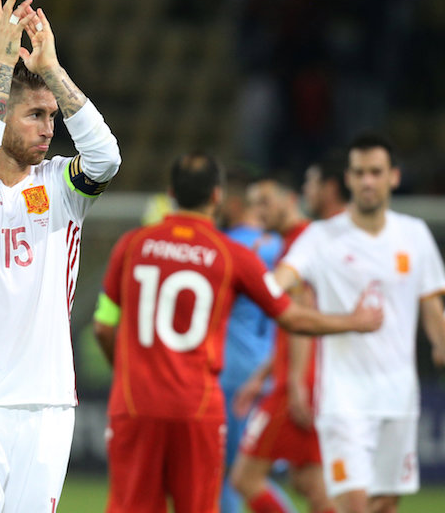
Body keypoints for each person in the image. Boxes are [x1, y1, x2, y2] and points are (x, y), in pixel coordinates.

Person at [92, 152, 381, 513]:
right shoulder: (233, 255)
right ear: (216, 195)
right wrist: (354, 322)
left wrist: (126, 372)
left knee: (131, 505)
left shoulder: (131, 246)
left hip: (136, 402)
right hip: (199, 406)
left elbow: (103, 326)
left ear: (170, 193)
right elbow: (293, 318)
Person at [0, 0, 121, 513]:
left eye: (52, 117)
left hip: (48, 404)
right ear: (2, 116)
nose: (48, 128)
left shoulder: (62, 186)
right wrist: (2, 61)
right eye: (34, 115)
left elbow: (105, 158)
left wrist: (52, 71)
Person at [273, 133, 445, 513]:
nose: (368, 181)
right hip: (344, 398)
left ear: (393, 177)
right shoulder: (321, 238)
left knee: (384, 503)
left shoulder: (413, 234)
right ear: (348, 180)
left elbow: (431, 304)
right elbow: (277, 284)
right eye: (359, 172)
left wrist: (440, 344)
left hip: (399, 397)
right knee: (353, 504)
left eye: (376, 172)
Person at [230, 176, 334, 513]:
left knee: (244, 479)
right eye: (253, 203)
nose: (258, 211)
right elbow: (291, 324)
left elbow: (302, 314)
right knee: (311, 485)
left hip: (295, 385)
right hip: (297, 377)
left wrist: (295, 381)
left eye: (264, 201)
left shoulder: (302, 243)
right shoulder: (294, 242)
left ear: (289, 199)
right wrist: (262, 375)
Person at [217, 169, 288, 513]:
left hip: (232, 374)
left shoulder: (226, 246)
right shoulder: (282, 247)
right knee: (251, 471)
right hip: (270, 370)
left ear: (233, 203)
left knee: (233, 473)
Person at [302, 149, 348, 220]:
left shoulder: (358, 227)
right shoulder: (316, 229)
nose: (305, 189)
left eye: (310, 182)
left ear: (330, 188)